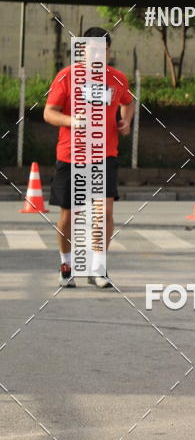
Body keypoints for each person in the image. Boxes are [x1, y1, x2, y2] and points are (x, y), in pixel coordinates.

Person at [43, 27, 135, 288]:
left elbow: (129, 102)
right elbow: (49, 113)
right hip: (71, 155)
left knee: (103, 212)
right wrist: (73, 121)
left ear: (108, 51)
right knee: (69, 215)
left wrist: (125, 121)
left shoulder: (117, 79)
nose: (96, 54)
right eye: (91, 49)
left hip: (104, 154)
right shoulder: (67, 77)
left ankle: (98, 268)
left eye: (101, 50)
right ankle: (66, 264)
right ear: (82, 50)